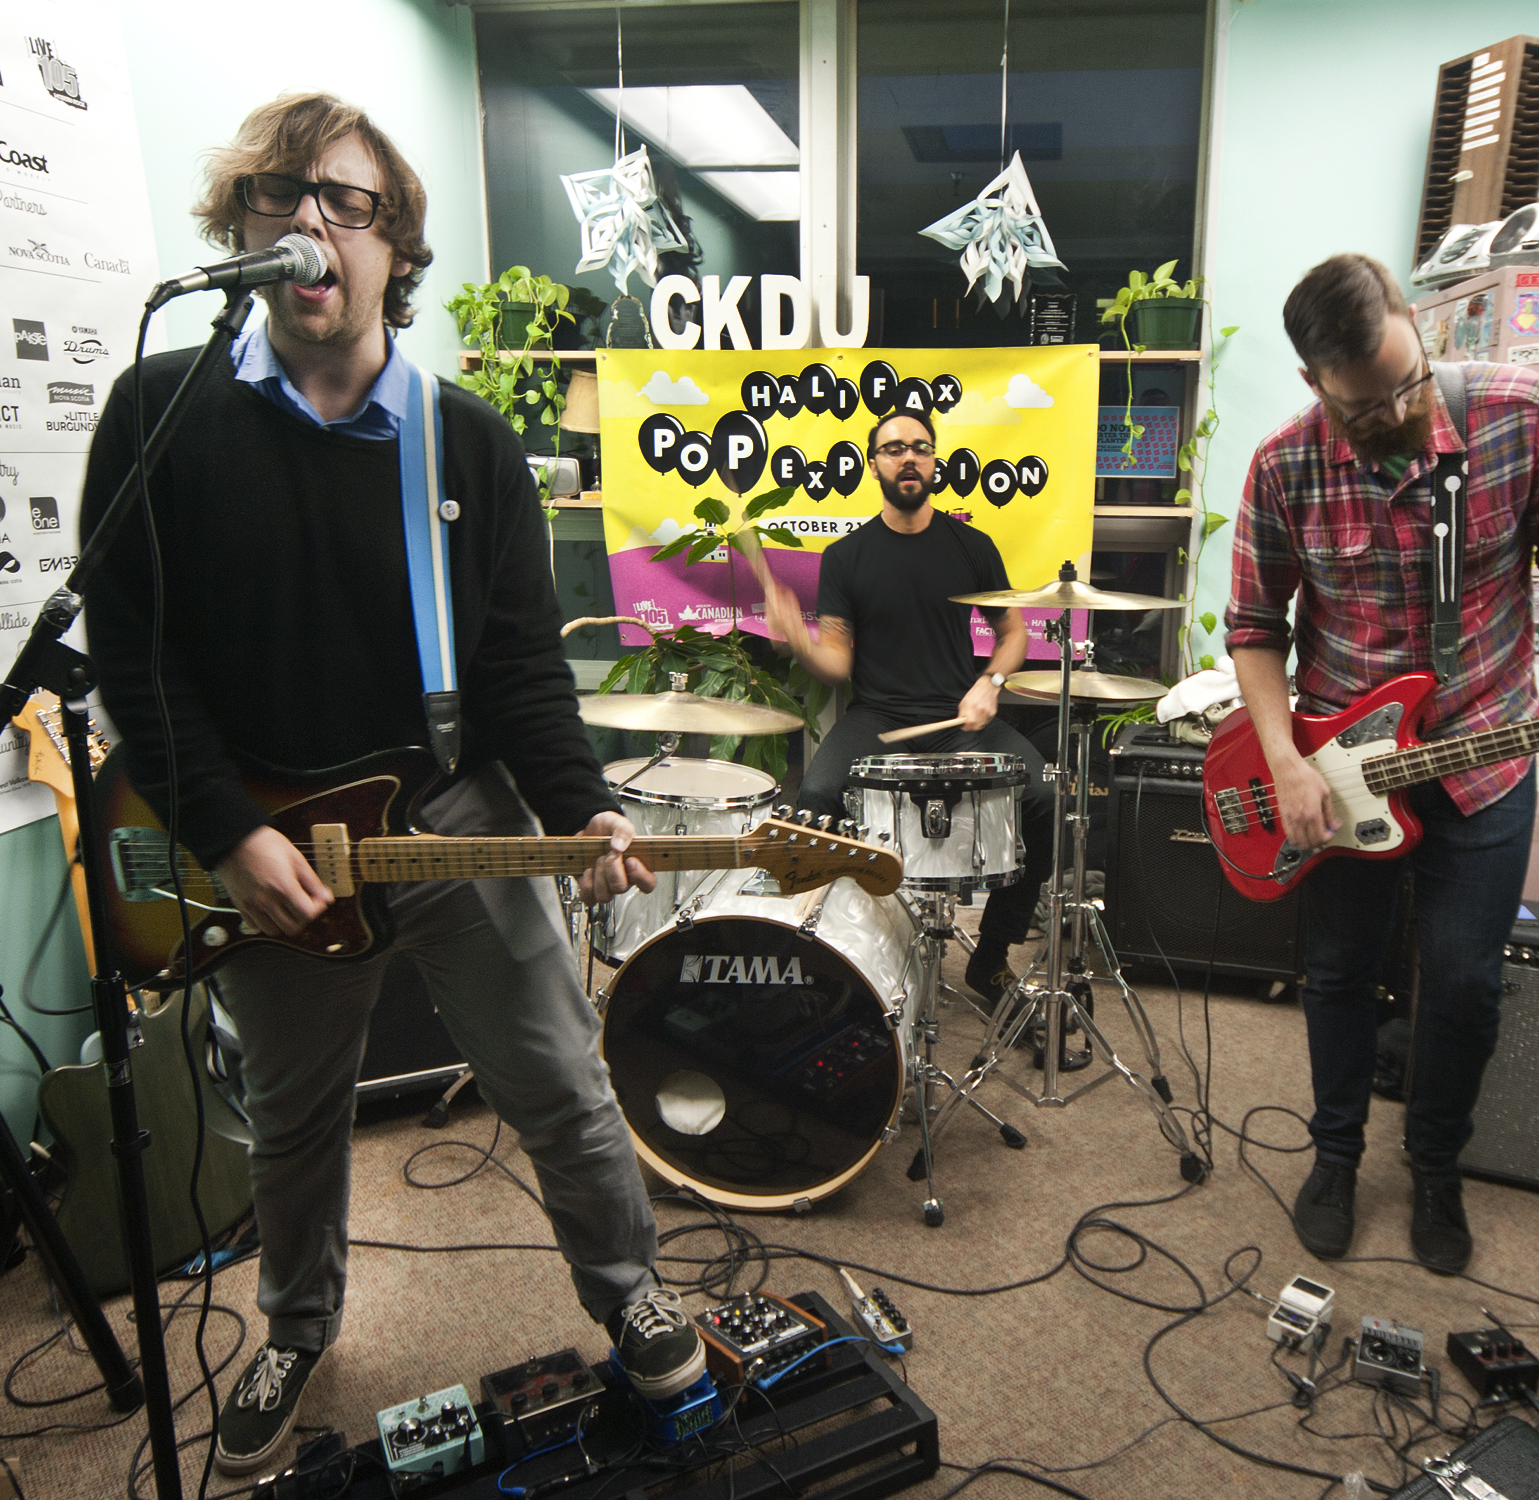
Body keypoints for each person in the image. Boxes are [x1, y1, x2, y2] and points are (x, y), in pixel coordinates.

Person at [80, 94, 703, 1477]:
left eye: (347, 203)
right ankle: (296, 1325)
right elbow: (134, 654)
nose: (310, 223)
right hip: (261, 832)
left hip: (446, 811)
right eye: (280, 196)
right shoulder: (160, 414)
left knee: (556, 1078)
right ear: (242, 225)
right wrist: (225, 831)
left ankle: (629, 1291)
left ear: (394, 246)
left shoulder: (460, 442)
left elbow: (522, 667)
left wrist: (583, 807)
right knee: (294, 1114)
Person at [1224, 254, 1539, 1275]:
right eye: (1364, 406)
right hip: (1343, 768)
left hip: (1484, 751)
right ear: (1315, 383)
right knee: (1339, 972)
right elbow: (1254, 625)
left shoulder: (1520, 413)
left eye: (1406, 384)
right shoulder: (1284, 466)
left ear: (1418, 327)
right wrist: (1285, 761)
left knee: (1462, 985)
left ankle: (1435, 1166)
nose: (1396, 415)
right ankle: (1334, 1155)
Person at [758, 409, 1058, 1026]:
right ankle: (835, 953)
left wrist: (990, 683)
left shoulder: (972, 546)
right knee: (815, 796)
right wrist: (799, 642)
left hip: (960, 717)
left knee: (1044, 797)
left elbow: (1013, 634)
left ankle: (991, 956)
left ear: (933, 459)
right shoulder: (847, 556)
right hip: (878, 717)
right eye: (894, 449)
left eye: (920, 447)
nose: (909, 457)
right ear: (875, 466)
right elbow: (837, 664)